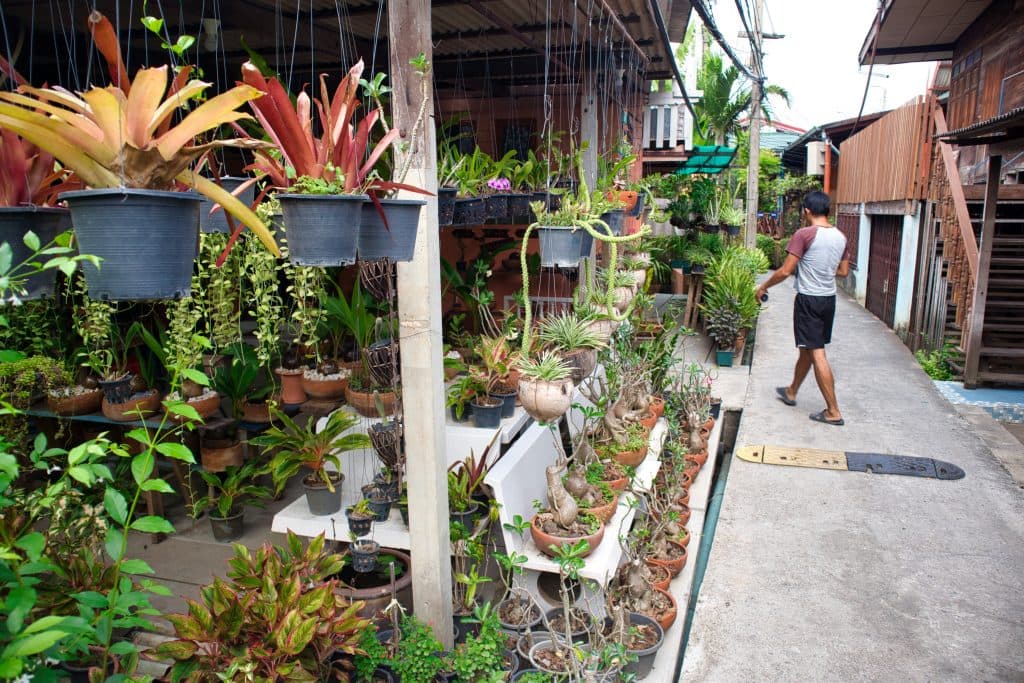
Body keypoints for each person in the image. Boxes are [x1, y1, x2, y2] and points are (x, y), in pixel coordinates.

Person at [755, 190, 850, 426]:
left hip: (809, 300)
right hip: (828, 300)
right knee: (808, 348)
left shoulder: (804, 234)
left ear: (807, 211)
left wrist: (764, 286)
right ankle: (792, 391)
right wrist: (823, 271)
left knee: (817, 352)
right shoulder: (840, 237)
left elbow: (786, 270)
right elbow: (843, 271)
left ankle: (833, 411)